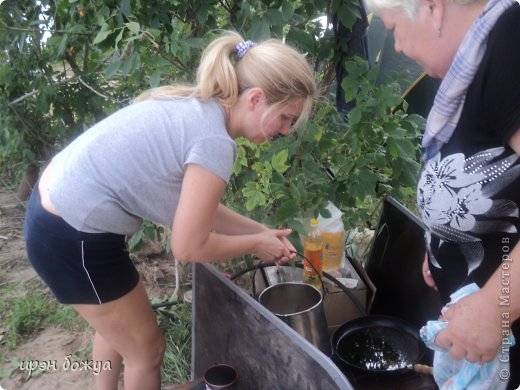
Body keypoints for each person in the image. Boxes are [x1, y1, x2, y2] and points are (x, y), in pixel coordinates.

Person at [23, 30, 317, 390]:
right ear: (256, 98)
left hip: (56, 215)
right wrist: (256, 245)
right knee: (146, 352)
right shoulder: (214, 142)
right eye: (286, 118)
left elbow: (199, 208)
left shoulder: (198, 108)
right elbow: (189, 247)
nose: (285, 131)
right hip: (73, 235)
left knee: (116, 330)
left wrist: (259, 231)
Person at [363, 0, 520, 388]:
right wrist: (442, 244)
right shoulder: (469, 65)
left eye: (394, 27)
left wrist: (493, 309)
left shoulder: (510, 47)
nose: (396, 46)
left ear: (433, 9)